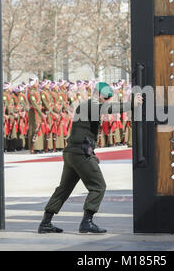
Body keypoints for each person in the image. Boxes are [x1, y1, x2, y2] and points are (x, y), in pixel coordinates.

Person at [38, 82, 143, 234]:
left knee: (64, 189)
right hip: (79, 153)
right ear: (100, 95)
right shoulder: (91, 104)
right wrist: (131, 105)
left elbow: (84, 133)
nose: (107, 101)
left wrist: (92, 153)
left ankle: (46, 222)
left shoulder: (88, 105)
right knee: (98, 186)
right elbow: (107, 108)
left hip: (73, 152)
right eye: (107, 98)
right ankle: (87, 222)